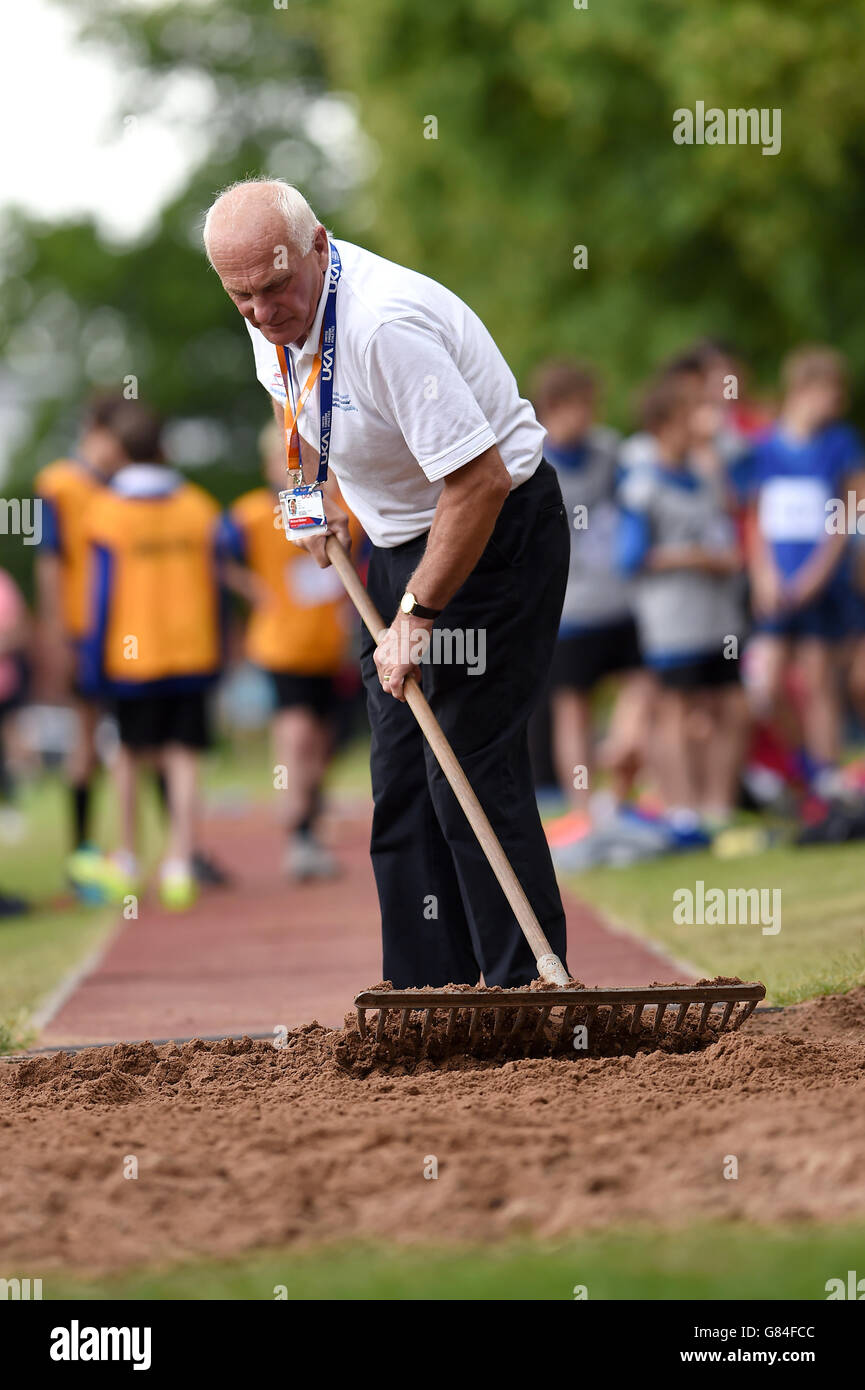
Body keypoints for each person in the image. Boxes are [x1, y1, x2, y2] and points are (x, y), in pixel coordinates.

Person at [203, 177, 569, 988]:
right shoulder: (274, 318)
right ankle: (426, 994)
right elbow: (289, 401)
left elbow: (478, 483)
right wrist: (309, 494)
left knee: (466, 765)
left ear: (318, 245)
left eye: (273, 288)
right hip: (399, 537)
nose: (262, 313)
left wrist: (418, 614)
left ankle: (524, 990)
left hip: (491, 532)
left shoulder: (381, 325)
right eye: (241, 299)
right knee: (401, 777)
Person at [78, 403, 223, 910]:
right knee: (183, 754)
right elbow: (216, 584)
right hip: (192, 648)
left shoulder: (106, 511)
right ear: (164, 447)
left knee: (127, 754)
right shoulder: (199, 507)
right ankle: (181, 859)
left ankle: (129, 855)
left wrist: (91, 663)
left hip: (130, 654)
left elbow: (101, 594)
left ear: (118, 451)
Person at [222, 421, 362, 880]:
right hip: (281, 647)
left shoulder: (345, 512)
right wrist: (252, 589)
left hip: (330, 647)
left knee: (322, 743)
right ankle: (298, 829)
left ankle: (309, 822)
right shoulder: (250, 516)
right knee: (297, 733)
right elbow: (213, 553)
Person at [617, 373, 748, 832]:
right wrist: (692, 558)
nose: (704, 418)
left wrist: (726, 558)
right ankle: (682, 809)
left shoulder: (707, 475)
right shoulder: (642, 484)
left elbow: (727, 528)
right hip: (673, 620)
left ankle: (718, 806)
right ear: (666, 422)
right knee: (672, 711)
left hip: (718, 616)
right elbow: (630, 557)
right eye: (693, 411)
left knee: (731, 705)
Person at [528, 359, 651, 846]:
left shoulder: (609, 451)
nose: (589, 416)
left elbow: (637, 505)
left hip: (619, 599)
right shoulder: (533, 458)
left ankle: (617, 794)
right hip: (569, 607)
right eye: (580, 407)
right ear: (553, 409)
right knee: (572, 709)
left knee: (643, 690)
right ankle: (582, 812)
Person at [742, 346, 865, 797]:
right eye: (833, 391)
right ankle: (804, 770)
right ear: (806, 389)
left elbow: (850, 511)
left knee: (819, 680)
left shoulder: (841, 444)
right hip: (779, 585)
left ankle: (830, 776)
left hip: (824, 585)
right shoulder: (765, 448)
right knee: (767, 684)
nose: (839, 402)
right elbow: (757, 519)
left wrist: (817, 573)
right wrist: (764, 574)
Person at [35, 395, 128, 898]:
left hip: (133, 630)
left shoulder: (125, 485)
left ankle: (175, 856)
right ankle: (81, 862)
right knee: (84, 740)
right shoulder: (57, 484)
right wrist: (55, 634)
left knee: (147, 737)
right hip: (83, 632)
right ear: (96, 431)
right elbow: (48, 561)